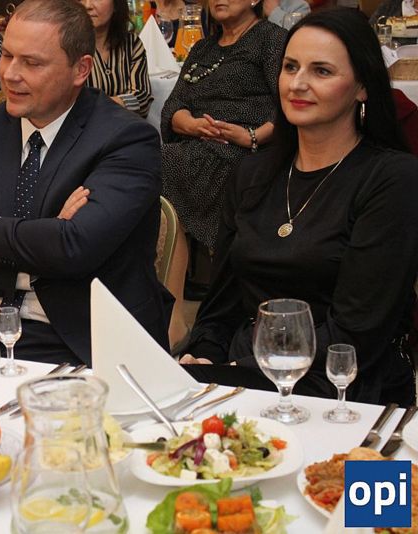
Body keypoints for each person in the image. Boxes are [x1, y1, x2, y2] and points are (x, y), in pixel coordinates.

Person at [180, 8, 418, 406]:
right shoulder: (252, 174)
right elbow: (220, 304)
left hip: (343, 390)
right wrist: (205, 354)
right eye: (290, 67)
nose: (298, 83)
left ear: (362, 87)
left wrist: (242, 371)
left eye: (321, 71)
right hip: (244, 378)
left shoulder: (392, 179)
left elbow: (356, 333)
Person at [0, 0, 172, 366]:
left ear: (80, 69)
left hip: (85, 341)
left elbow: (74, 247)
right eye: (7, 56)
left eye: (32, 63)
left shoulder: (125, 139)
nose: (10, 74)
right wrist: (45, 242)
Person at [160, 0, 286, 348]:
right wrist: (190, 124)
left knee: (179, 166)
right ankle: (173, 316)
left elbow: (288, 103)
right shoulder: (203, 47)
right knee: (152, 165)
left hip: (249, 149)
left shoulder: (270, 39)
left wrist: (252, 136)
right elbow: (173, 106)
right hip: (196, 146)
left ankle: (220, 319)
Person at [80, 0, 152, 117]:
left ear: (116, 4)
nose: (87, 5)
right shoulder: (69, 46)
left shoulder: (131, 44)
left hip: (126, 125)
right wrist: (123, 102)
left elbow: (142, 100)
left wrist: (96, 105)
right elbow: (70, 105)